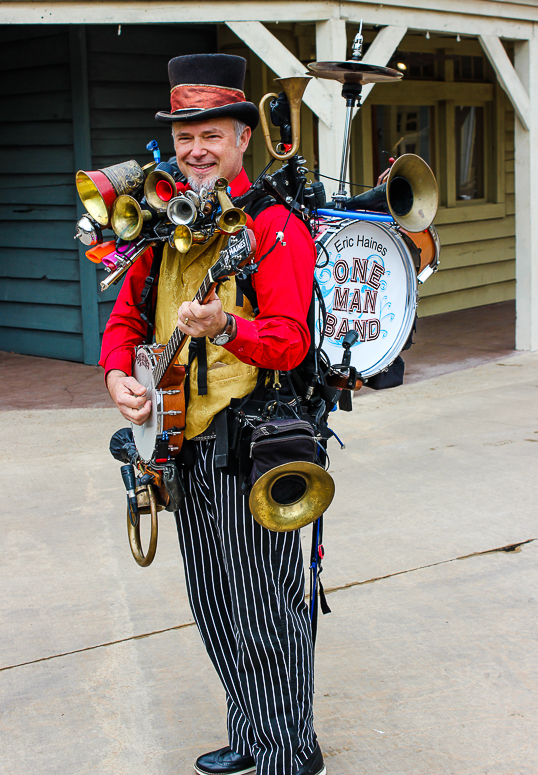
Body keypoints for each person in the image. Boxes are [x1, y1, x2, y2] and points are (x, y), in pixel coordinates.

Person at [99, 54, 326, 775]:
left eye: (213, 134)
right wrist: (116, 375)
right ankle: (253, 729)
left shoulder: (274, 226)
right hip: (180, 446)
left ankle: (290, 753)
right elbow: (124, 320)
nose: (197, 148)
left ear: (241, 141)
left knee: (266, 607)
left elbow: (291, 340)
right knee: (215, 602)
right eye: (186, 133)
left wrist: (227, 328)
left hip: (249, 441)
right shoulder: (164, 221)